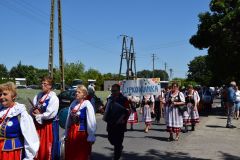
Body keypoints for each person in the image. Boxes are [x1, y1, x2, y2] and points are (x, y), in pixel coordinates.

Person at [0, 82, 39, 159]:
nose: (1, 97)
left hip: (12, 153)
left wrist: (29, 157)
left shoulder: (21, 114)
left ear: (13, 96)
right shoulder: (1, 110)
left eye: (5, 94)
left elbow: (30, 138)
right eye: (0, 94)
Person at [65, 85, 96, 160]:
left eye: (79, 92)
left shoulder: (87, 104)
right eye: (76, 92)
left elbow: (91, 121)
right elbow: (68, 120)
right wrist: (66, 133)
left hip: (82, 134)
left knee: (80, 155)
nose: (76, 93)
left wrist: (91, 136)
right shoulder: (73, 104)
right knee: (71, 153)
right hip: (72, 132)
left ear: (84, 95)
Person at [31, 76, 60, 160]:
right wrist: (34, 112)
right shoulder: (38, 96)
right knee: (37, 144)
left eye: (45, 84)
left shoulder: (53, 98)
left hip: (48, 126)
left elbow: (50, 114)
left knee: (47, 147)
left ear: (50, 86)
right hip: (38, 125)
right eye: (42, 83)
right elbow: (34, 107)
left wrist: (39, 115)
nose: (42, 85)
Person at [104, 84, 130, 160]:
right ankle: (118, 147)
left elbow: (128, 111)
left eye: (115, 91)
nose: (113, 92)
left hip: (120, 125)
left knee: (118, 143)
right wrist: (102, 110)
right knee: (111, 139)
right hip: (111, 123)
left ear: (119, 90)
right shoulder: (110, 99)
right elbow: (106, 109)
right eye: (112, 91)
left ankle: (116, 156)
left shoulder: (124, 99)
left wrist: (123, 119)